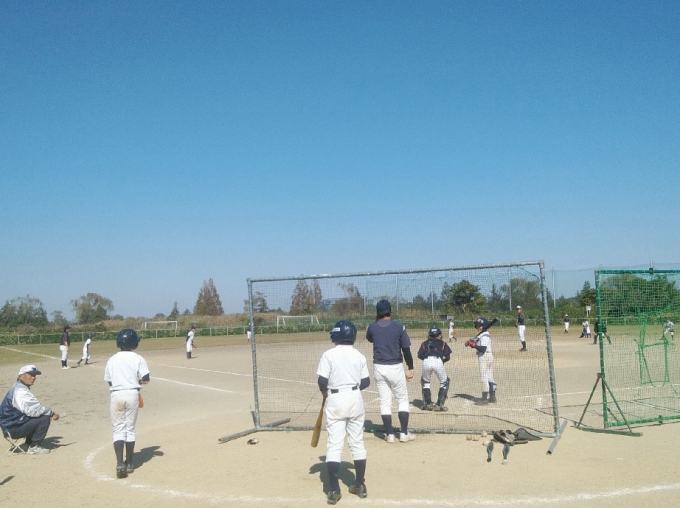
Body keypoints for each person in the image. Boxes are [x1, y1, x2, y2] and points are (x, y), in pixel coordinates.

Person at [317, 320, 370, 505]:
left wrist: (324, 391)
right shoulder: (359, 355)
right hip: (355, 399)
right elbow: (366, 382)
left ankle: (334, 490)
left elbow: (322, 381)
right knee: (357, 442)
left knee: (334, 444)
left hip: (336, 399)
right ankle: (359, 485)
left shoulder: (329, 354)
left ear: (336, 335)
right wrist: (351, 388)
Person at [365, 299, 416, 443]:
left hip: (379, 367)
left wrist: (376, 322)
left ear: (377, 312)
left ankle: (390, 435)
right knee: (402, 400)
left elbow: (369, 338)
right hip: (395, 366)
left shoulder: (372, 327)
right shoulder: (399, 326)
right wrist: (410, 367)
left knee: (385, 402)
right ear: (391, 310)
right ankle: (404, 433)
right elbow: (406, 349)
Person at [104, 329, 150, 479]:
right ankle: (129, 463)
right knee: (130, 429)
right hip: (132, 394)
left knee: (118, 429)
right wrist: (136, 382)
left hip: (116, 394)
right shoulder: (138, 358)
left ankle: (119, 463)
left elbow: (109, 381)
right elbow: (146, 379)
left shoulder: (112, 359)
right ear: (133, 343)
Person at [0, 365, 61, 454]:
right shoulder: (20, 391)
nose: (33, 378)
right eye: (30, 375)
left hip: (10, 425)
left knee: (39, 415)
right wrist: (51, 413)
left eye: (34, 375)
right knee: (45, 417)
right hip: (12, 429)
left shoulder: (18, 386)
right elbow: (34, 409)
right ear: (21, 375)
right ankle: (34, 446)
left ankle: (28, 444)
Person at [417, 326, 452, 411]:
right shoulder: (443, 343)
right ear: (439, 335)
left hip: (426, 361)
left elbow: (419, 355)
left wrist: (427, 360)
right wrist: (442, 361)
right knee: (445, 382)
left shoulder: (424, 343)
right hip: (437, 361)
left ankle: (427, 404)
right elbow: (448, 357)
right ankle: (439, 405)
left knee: (425, 382)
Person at [465, 318, 496, 405]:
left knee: (484, 377)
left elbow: (482, 349)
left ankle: (484, 399)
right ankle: (492, 396)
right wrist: (470, 343)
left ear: (483, 326)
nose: (477, 327)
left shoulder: (485, 335)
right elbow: (476, 343)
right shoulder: (481, 335)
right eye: (477, 325)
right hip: (486, 356)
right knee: (489, 376)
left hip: (484, 356)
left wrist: (474, 345)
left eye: (479, 325)